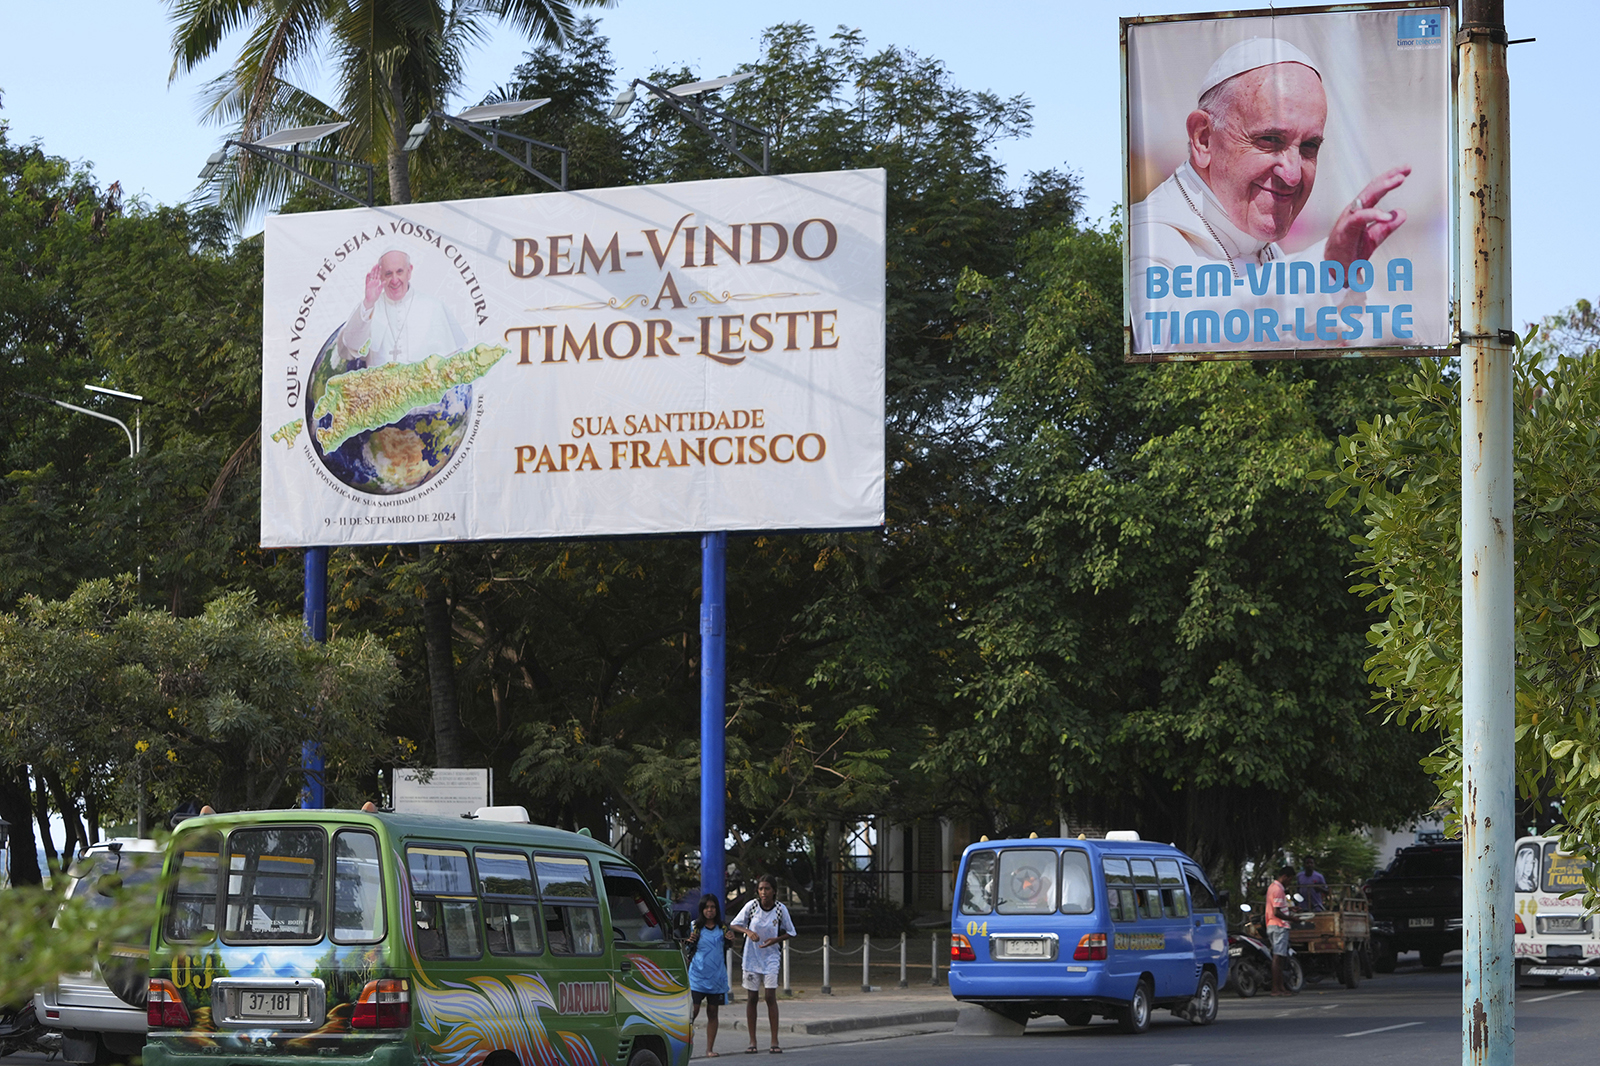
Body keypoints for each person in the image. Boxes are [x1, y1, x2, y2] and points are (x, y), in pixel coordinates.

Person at [1129, 37, 1412, 352]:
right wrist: (1321, 271)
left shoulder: (1259, 244)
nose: (1291, 175)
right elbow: (1163, 342)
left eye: (1308, 147)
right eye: (1269, 140)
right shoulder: (1145, 237)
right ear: (1204, 139)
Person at [337, 249, 466, 369]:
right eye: (388, 274)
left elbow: (451, 364)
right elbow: (351, 347)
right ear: (381, 275)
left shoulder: (433, 307)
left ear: (409, 271)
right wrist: (369, 302)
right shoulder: (369, 308)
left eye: (399, 272)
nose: (394, 280)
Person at [728, 875, 796, 1053]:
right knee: (752, 997)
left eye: (767, 889)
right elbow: (734, 924)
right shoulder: (752, 906)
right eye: (761, 889)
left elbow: (791, 931)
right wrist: (748, 931)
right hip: (752, 958)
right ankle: (752, 1041)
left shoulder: (780, 910)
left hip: (771, 957)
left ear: (774, 891)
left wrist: (776, 939)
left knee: (770, 996)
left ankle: (774, 1040)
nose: (764, 892)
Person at [687, 894, 732, 1058]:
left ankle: (709, 1049)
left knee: (713, 1012)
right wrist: (687, 939)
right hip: (697, 976)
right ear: (701, 909)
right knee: (693, 1011)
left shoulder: (723, 928)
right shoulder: (694, 926)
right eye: (706, 907)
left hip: (716, 978)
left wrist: (731, 938)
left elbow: (729, 944)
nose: (709, 910)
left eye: (712, 907)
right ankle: (685, 1046)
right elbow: (684, 943)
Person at [1266, 865, 1296, 996]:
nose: (1290, 882)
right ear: (1285, 877)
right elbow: (1277, 912)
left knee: (1279, 957)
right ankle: (1276, 988)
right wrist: (1292, 918)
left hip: (1272, 925)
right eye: (1290, 879)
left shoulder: (1273, 887)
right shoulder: (1279, 890)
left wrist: (1291, 910)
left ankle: (1281, 987)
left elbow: (1279, 907)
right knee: (1278, 958)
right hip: (1279, 926)